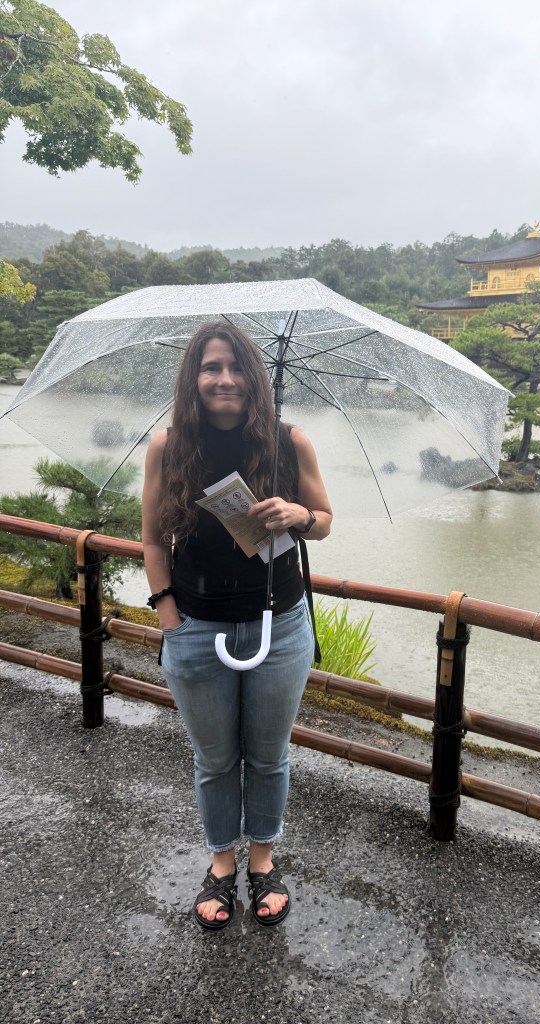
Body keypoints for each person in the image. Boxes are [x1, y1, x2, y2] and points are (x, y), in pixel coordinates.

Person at [141, 321, 332, 931]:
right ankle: (221, 864)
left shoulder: (288, 442)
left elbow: (325, 520)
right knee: (216, 759)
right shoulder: (168, 447)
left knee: (270, 757)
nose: (224, 379)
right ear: (193, 379)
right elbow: (150, 539)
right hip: (197, 627)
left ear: (255, 378)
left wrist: (298, 514)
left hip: (280, 624)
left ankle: (263, 861)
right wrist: (168, 612)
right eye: (210, 368)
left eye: (235, 368)